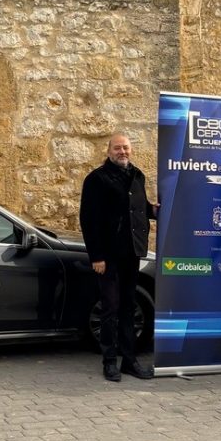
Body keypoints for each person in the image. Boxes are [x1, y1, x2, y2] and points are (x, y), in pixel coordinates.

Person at [79, 133, 157, 382]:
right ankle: (110, 361)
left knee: (128, 307)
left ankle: (129, 361)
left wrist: (154, 210)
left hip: (131, 253)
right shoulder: (97, 179)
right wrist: (97, 256)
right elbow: (89, 220)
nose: (122, 152)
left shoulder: (137, 175)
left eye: (126, 148)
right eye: (117, 148)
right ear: (109, 151)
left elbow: (137, 207)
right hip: (108, 256)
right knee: (110, 309)